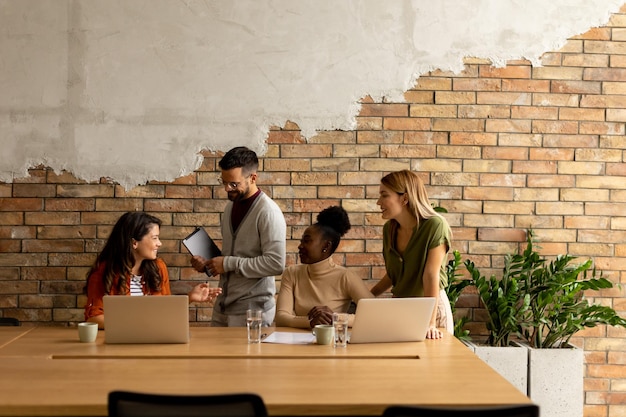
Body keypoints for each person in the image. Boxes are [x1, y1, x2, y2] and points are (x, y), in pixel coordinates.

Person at [190, 146, 286, 327]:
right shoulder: (230, 208)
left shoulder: (268, 212)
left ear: (253, 178)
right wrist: (208, 265)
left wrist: (227, 263)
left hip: (253, 313)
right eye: (224, 182)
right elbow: (234, 255)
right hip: (222, 307)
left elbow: (276, 263)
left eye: (234, 184)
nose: (227, 189)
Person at [84, 211, 222, 329]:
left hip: (154, 342)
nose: (159, 243)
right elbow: (94, 319)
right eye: (154, 238)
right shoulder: (104, 271)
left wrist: (189, 298)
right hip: (120, 345)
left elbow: (164, 312)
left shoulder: (158, 268)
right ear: (134, 243)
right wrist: (140, 324)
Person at [370, 170, 454, 339]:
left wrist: (430, 323)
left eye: (384, 195)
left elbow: (431, 275)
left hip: (430, 308)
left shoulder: (435, 226)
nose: (379, 202)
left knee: (433, 363)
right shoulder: (389, 229)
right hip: (400, 308)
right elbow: (394, 275)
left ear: (405, 198)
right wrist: (365, 298)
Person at [276, 206, 373, 329]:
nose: (300, 246)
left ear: (326, 246)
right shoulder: (292, 273)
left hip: (332, 345)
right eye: (301, 241)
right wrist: (311, 321)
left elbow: (373, 314)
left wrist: (335, 318)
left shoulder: (346, 277)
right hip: (298, 344)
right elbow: (281, 317)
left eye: (307, 241)